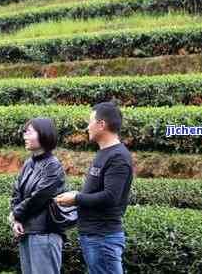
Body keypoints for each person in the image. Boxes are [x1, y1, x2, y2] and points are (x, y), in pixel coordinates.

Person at [56, 102, 133, 274]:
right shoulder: (103, 153)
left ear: (101, 124)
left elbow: (110, 197)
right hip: (93, 236)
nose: (87, 127)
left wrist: (76, 198)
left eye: (90, 122)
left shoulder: (118, 157)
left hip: (103, 237)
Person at [9, 118, 66, 274]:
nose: (25, 136)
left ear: (44, 134)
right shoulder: (29, 163)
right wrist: (17, 220)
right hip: (26, 231)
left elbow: (39, 197)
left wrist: (16, 214)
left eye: (29, 132)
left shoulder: (53, 165)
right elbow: (17, 193)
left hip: (44, 234)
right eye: (24, 132)